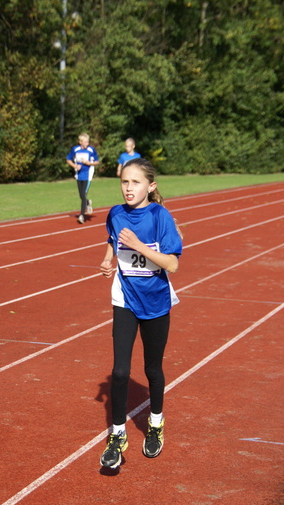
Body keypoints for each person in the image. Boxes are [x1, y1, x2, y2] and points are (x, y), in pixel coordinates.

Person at [99, 158, 183, 469]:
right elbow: (112, 240)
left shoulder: (160, 217)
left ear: (151, 186)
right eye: (124, 182)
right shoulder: (116, 213)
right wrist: (108, 261)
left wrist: (139, 246)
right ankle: (117, 434)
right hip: (125, 299)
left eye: (135, 182)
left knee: (152, 370)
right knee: (120, 371)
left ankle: (156, 424)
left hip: (156, 303)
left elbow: (172, 264)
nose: (128, 188)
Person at [66, 132, 99, 224]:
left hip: (88, 175)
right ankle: (88, 203)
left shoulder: (91, 150)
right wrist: (75, 166)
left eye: (88, 142)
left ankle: (82, 216)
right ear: (80, 142)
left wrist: (89, 163)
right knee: (81, 195)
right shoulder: (75, 149)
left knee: (83, 194)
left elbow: (97, 162)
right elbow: (68, 160)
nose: (87, 144)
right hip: (79, 175)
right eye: (85, 142)